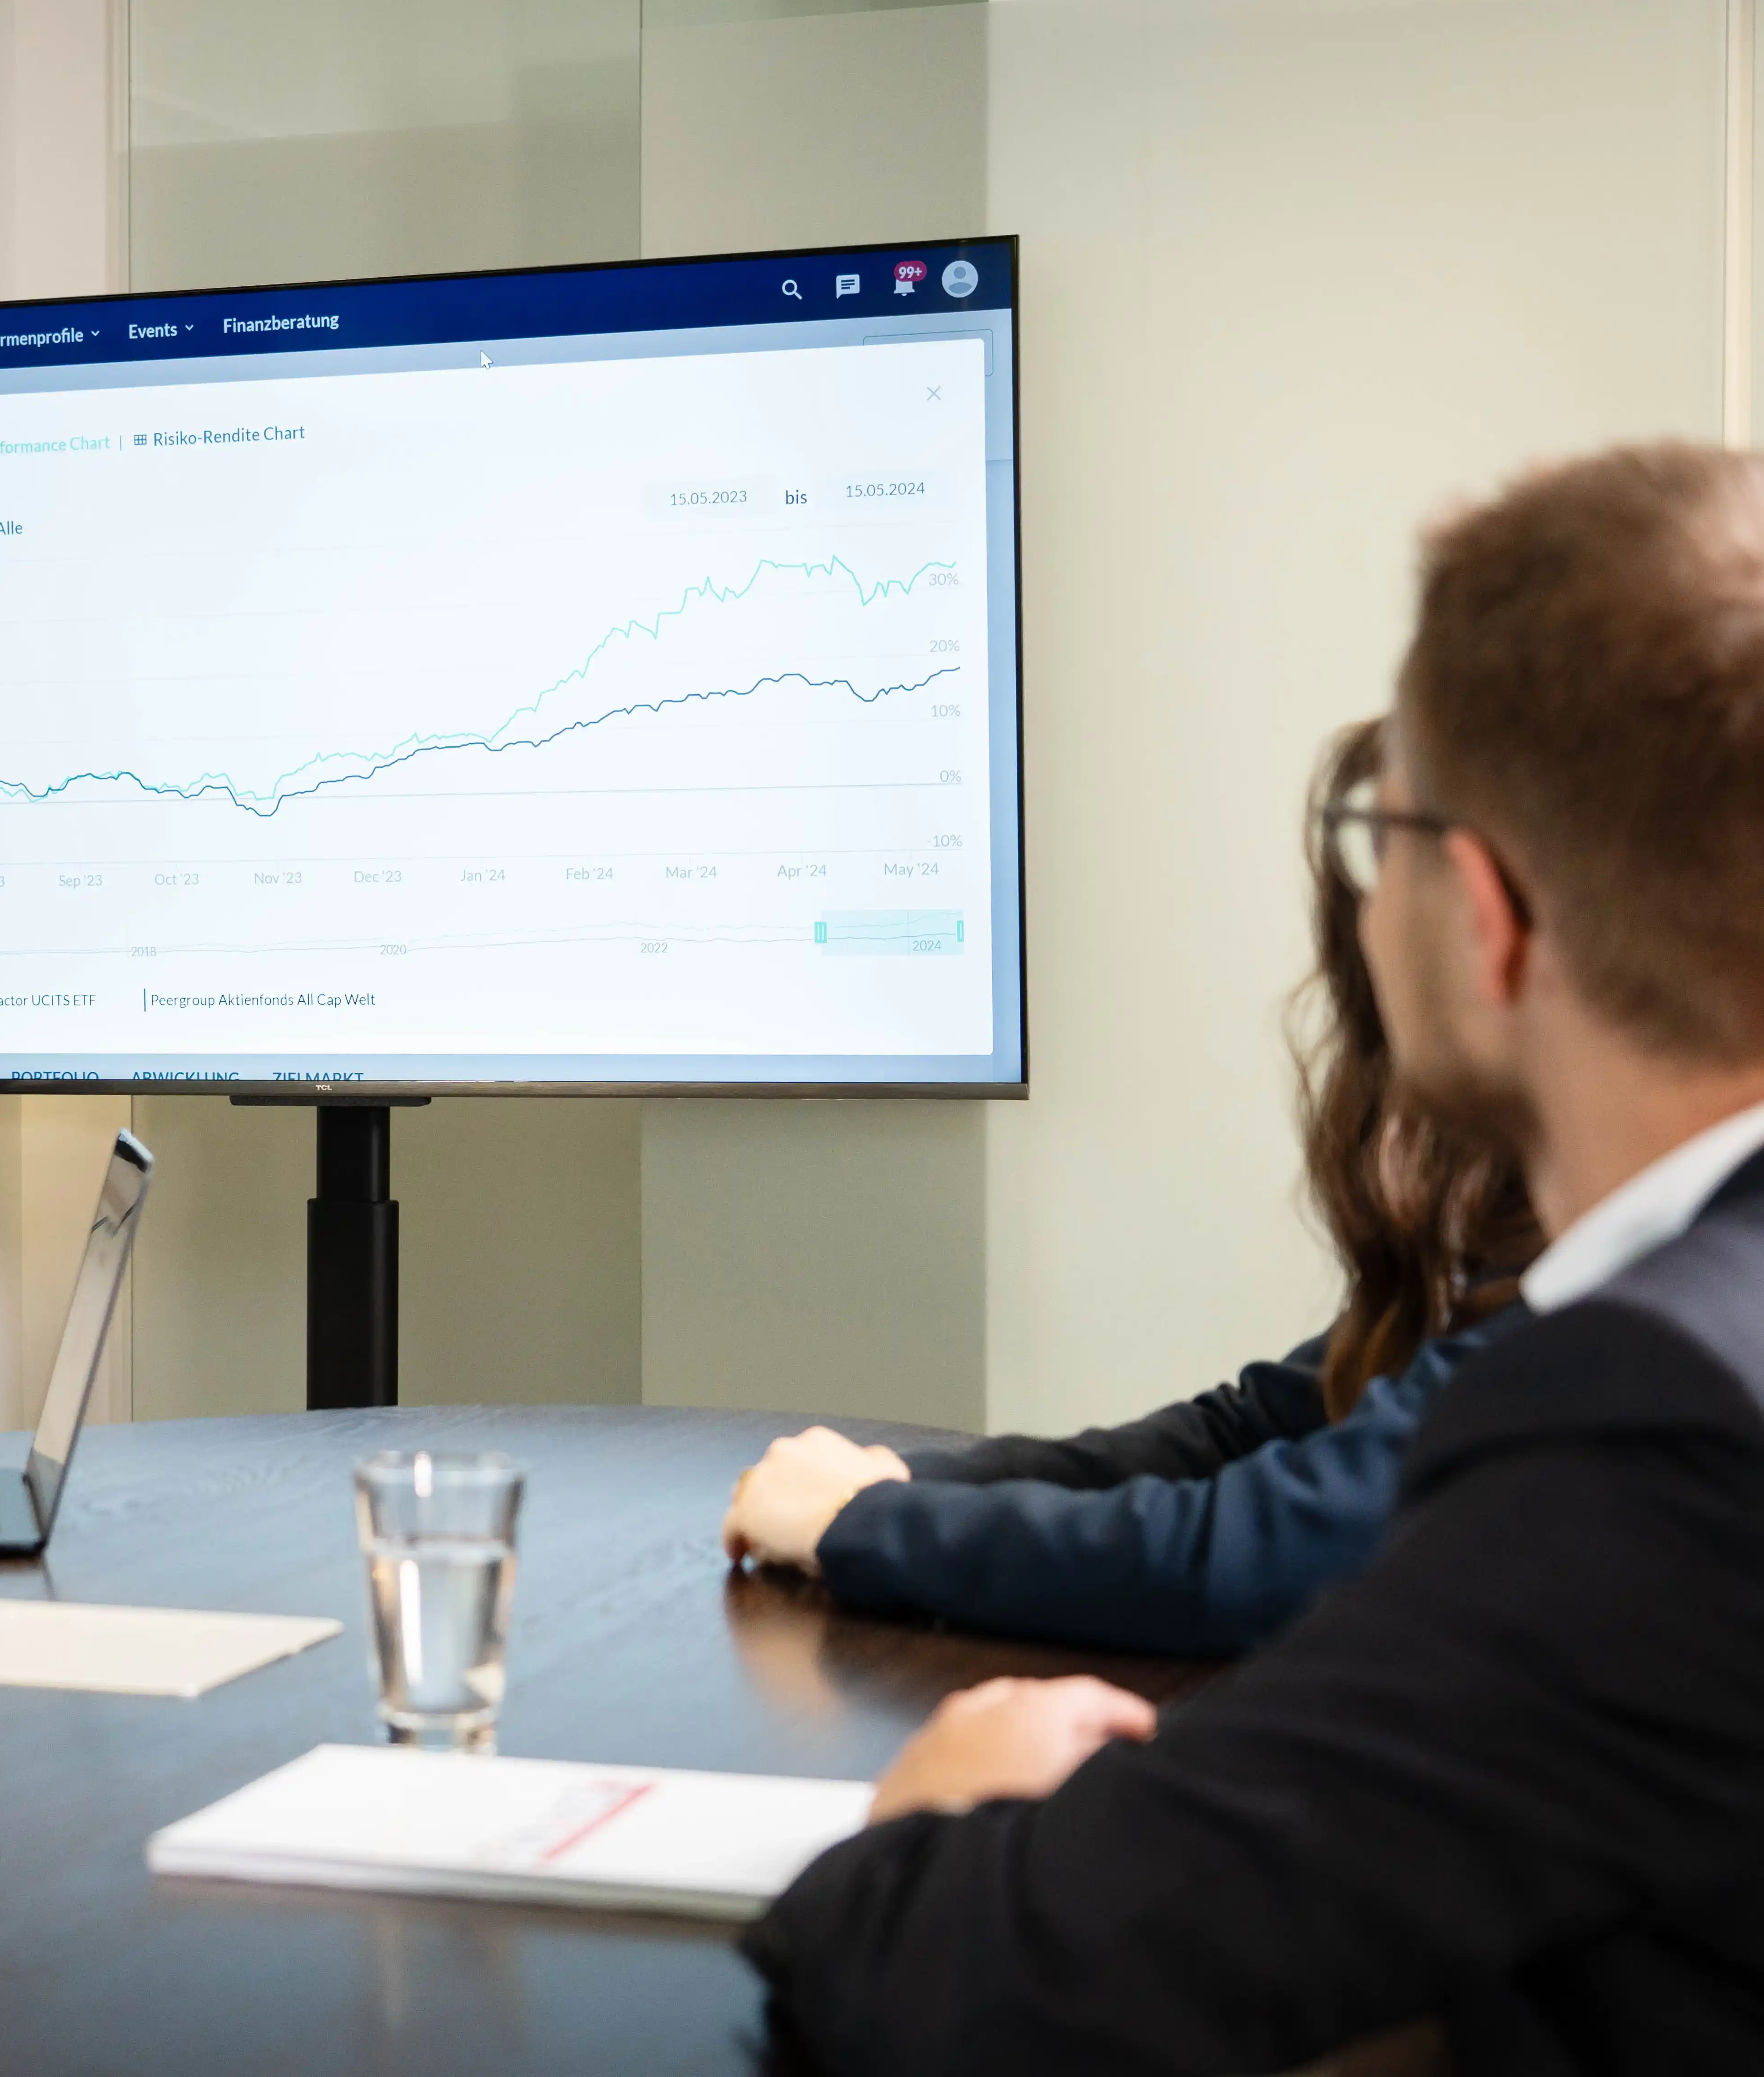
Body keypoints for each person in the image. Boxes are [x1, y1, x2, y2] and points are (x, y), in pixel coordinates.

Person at [743, 443, 1764, 2074]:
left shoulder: (1653, 1422)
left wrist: (936, 1813)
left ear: (1485, 914)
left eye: (1383, 830)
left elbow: (975, 1978)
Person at [720, 719, 1540, 1655]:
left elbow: (1250, 1552)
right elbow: (1243, 1431)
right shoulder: (1539, 1253)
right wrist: (902, 1486)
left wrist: (866, 1524)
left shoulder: (1595, 1303)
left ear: (1483, 919)